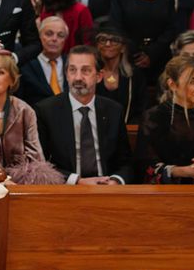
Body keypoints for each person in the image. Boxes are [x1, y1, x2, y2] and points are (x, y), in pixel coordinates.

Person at [35, 45, 133, 184]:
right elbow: (40, 163)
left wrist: (116, 181)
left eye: (86, 71)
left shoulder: (113, 110)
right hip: (66, 191)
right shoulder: (46, 110)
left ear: (99, 76)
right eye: (73, 70)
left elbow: (125, 162)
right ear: (66, 74)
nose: (78, 77)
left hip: (106, 189)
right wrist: (77, 181)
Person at [135, 54, 194, 184]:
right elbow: (146, 166)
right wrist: (182, 171)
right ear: (173, 85)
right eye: (193, 82)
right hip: (163, 190)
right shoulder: (154, 116)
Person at [109, 0, 177, 83]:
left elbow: (171, 29)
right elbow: (116, 27)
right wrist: (137, 54)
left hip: (159, 56)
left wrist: (151, 55)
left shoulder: (167, 0)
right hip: (129, 57)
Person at [94, 22, 147, 124]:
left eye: (114, 40)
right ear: (97, 46)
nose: (108, 44)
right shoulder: (90, 74)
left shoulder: (135, 76)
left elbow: (141, 110)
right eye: (103, 40)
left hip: (128, 132)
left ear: (123, 48)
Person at [17, 16, 68, 106]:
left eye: (60, 35)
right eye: (49, 34)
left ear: (65, 40)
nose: (54, 39)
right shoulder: (25, 65)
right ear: (39, 36)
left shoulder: (71, 63)